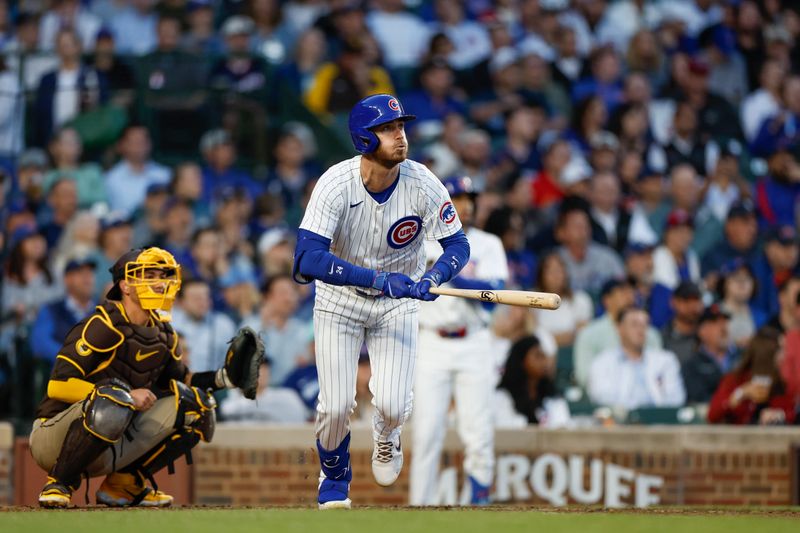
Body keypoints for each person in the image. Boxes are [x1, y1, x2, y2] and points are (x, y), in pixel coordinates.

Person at [292, 94, 469, 509]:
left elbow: (456, 243)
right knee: (335, 407)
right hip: (340, 299)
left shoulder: (422, 181)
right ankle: (334, 476)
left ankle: (386, 434)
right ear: (363, 138)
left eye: (400, 127)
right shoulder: (336, 183)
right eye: (387, 129)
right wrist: (375, 278)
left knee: (391, 404)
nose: (399, 136)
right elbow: (306, 258)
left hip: (397, 302)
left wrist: (434, 276)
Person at [29, 247, 257, 508]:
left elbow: (182, 380)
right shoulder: (102, 324)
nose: (160, 283)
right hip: (54, 438)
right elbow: (58, 386)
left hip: (108, 439)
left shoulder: (164, 332)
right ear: (125, 285)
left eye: (162, 275)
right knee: (112, 397)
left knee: (197, 406)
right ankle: (59, 482)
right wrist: (125, 396)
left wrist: (225, 379)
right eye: (149, 275)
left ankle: (122, 485)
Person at [410, 176, 507, 507]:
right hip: (431, 342)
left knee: (477, 431)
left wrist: (453, 272)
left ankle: (477, 508)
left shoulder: (488, 243)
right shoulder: (421, 242)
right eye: (457, 197)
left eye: (469, 198)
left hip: (473, 341)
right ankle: (419, 508)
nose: (465, 204)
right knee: (426, 434)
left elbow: (495, 288)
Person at [588, 306, 686, 411]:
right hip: (620, 425)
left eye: (644, 325)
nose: (640, 330)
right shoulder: (602, 362)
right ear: (619, 328)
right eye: (634, 325)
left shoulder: (666, 360)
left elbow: (677, 399)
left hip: (660, 423)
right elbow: (601, 398)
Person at [708, 327, 796, 425]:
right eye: (781, 350)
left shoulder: (782, 383)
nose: (785, 355)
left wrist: (780, 414)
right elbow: (712, 415)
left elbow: (793, 413)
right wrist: (741, 393)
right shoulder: (735, 380)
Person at [681, 304, 738, 404]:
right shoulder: (692, 364)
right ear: (702, 331)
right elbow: (699, 398)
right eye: (716, 323)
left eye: (725, 322)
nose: (723, 327)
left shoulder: (743, 356)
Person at [220, 360, 309, 422]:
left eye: (265, 368)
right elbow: (227, 411)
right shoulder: (230, 402)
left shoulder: (287, 396)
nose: (262, 372)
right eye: (257, 368)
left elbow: (301, 422)